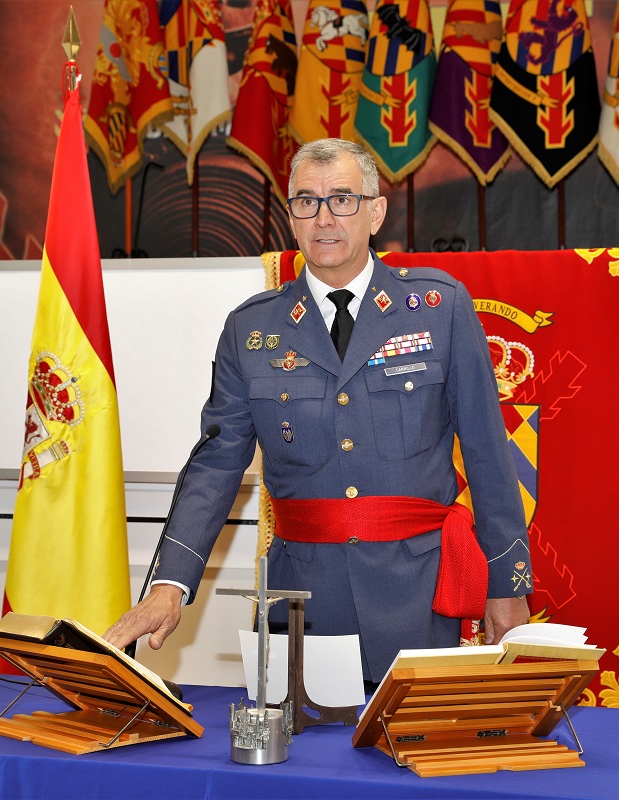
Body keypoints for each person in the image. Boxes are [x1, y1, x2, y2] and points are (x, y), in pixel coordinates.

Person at [104, 138, 532, 682]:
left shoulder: (437, 307)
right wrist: (170, 585)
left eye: (343, 199)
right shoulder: (252, 329)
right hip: (302, 602)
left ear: (376, 212)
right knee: (300, 737)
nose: (324, 218)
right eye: (307, 201)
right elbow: (215, 464)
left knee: (412, 738)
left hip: (416, 595)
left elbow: (489, 454)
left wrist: (507, 585)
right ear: (291, 218)